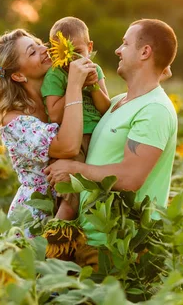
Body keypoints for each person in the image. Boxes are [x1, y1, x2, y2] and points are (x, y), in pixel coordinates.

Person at [44, 19, 178, 262]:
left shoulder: (155, 109)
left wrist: (74, 169)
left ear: (145, 52)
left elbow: (130, 178)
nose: (118, 50)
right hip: (94, 238)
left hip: (123, 247)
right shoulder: (117, 102)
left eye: (125, 44)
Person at [0, 28, 96, 232]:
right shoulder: (14, 120)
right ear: (18, 75)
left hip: (80, 202)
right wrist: (74, 85)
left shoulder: (55, 99)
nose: (44, 49)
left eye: (39, 44)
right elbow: (68, 147)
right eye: (32, 52)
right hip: (38, 216)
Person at [42, 17, 111, 220]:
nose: (72, 60)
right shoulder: (55, 75)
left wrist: (93, 86)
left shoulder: (94, 70)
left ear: (90, 47)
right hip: (73, 140)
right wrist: (75, 85)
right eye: (64, 54)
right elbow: (54, 114)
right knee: (71, 198)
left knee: (96, 192)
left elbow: (105, 108)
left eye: (78, 52)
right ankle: (56, 238)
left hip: (98, 137)